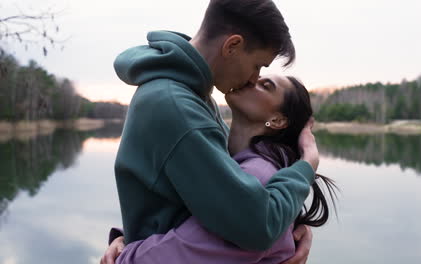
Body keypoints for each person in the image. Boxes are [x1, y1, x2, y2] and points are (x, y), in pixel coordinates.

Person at [104, 0, 319, 263]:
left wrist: (290, 231)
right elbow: (257, 226)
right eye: (257, 66)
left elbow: (191, 199)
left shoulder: (194, 96)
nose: (254, 78)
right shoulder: (177, 106)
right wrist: (306, 165)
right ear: (233, 46)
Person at [102, 75, 337, 264]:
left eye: (266, 85)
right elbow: (192, 217)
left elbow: (183, 254)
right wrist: (124, 237)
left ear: (277, 120)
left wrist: (125, 256)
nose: (251, 78)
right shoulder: (230, 160)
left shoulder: (260, 173)